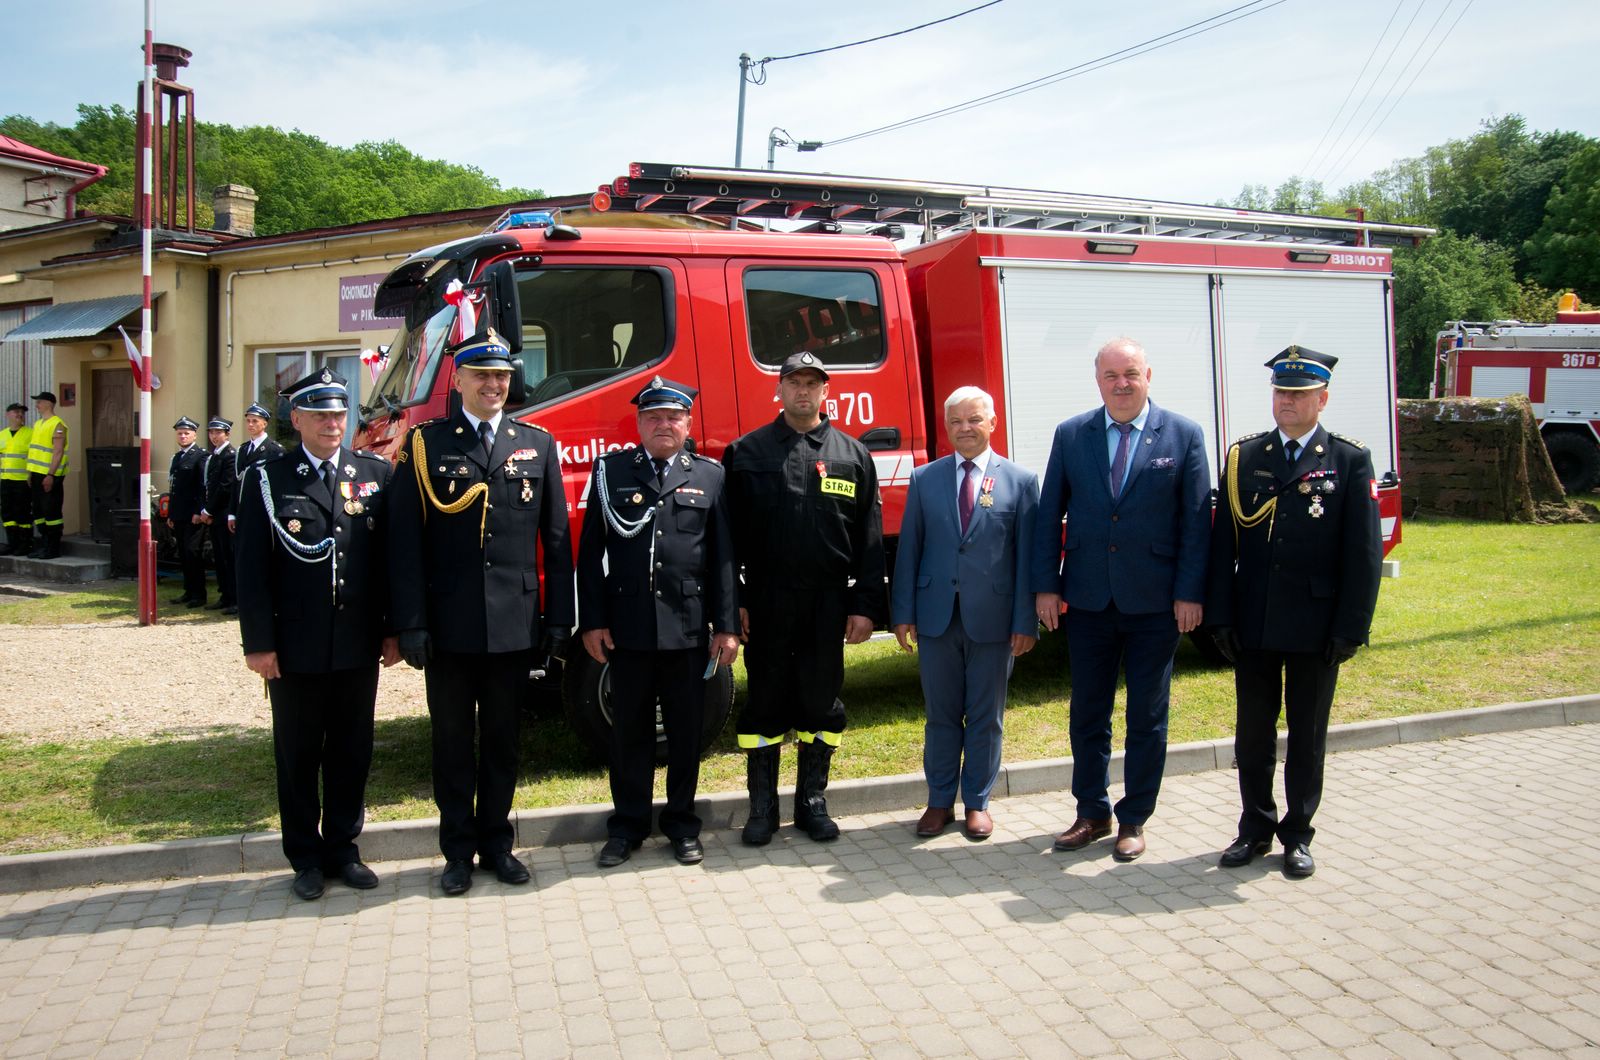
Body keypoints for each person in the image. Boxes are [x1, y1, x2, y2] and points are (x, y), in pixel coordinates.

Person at [388, 328, 574, 896]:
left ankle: (497, 844)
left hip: (515, 624)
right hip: (449, 626)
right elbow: (405, 544)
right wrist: (411, 622)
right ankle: (456, 853)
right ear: (460, 380)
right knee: (451, 743)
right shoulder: (426, 445)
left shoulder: (536, 443)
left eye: (501, 376)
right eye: (482, 376)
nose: (493, 385)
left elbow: (557, 541)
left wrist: (558, 620)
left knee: (502, 741)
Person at [1031, 337, 1211, 862]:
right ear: (1098, 381)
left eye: (1130, 373)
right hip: (1088, 599)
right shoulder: (1072, 434)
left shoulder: (1183, 434)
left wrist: (1189, 592)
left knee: (1147, 717)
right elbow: (1049, 514)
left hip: (1156, 602)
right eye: (1111, 375)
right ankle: (1092, 812)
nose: (1121, 384)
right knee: (1088, 712)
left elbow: (1196, 522)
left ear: (1148, 375)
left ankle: (1134, 817)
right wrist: (1047, 585)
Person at [1206, 346, 1382, 879]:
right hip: (1254, 622)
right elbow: (1223, 546)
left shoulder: (1348, 460)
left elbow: (1364, 554)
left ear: (1321, 400)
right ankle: (1255, 828)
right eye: (1282, 391)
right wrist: (1220, 617)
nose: (1288, 401)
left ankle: (1298, 833)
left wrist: (1351, 627)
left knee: (1307, 736)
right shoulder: (1245, 456)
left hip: (1315, 625)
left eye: (1300, 394)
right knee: (1252, 736)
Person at [235, 368, 400, 900]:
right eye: (321, 415)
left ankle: (344, 850)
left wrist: (392, 630)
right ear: (297, 419)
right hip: (295, 646)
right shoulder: (268, 478)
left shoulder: (375, 472)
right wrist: (259, 643)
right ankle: (305, 857)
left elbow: (391, 563)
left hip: (356, 641)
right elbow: (251, 569)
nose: (333, 423)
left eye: (339, 414)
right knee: (299, 755)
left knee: (352, 751)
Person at [723, 351, 887, 845]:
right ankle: (763, 808)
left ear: (825, 391)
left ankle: (812, 803)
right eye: (794, 382)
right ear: (779, 389)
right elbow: (727, 539)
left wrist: (865, 607)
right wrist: (736, 601)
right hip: (766, 601)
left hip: (826, 603)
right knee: (765, 702)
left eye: (812, 383)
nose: (803, 391)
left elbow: (870, 539)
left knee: (821, 703)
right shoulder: (745, 453)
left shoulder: (852, 455)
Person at [577, 377, 740, 868]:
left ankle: (682, 826)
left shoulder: (710, 475)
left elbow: (724, 559)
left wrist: (726, 626)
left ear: (688, 424)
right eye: (653, 417)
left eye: (673, 417)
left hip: (687, 630)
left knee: (686, 735)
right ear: (639, 423)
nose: (663, 425)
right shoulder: (610, 472)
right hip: (627, 629)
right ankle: (627, 827)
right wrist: (593, 621)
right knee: (629, 734)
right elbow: (590, 555)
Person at [892, 386, 1039, 840]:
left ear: (992, 423)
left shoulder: (1021, 481)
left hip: (993, 620)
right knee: (940, 715)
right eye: (956, 421)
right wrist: (903, 612)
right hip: (936, 618)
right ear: (946, 426)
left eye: (974, 419)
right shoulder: (925, 479)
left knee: (985, 717)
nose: (965, 428)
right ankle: (939, 802)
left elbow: (1027, 559)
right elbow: (909, 548)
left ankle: (977, 802)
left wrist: (1025, 621)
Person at [167, 416, 208, 606]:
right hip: (179, 513)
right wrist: (171, 514)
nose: (183, 436)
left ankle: (199, 594)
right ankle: (189, 591)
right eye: (180, 433)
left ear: (194, 435)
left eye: (186, 433)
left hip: (193, 514)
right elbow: (174, 488)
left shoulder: (200, 456)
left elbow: (202, 486)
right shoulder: (177, 457)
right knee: (183, 553)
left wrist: (199, 511)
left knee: (193, 552)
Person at [24, 391, 68, 559]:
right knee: (39, 511)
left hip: (50, 475)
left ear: (49, 404)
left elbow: (58, 452)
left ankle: (53, 548)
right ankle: (43, 545)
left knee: (51, 511)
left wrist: (50, 475)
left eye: (39, 402)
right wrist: (30, 473)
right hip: (37, 473)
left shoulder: (57, 424)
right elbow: (35, 451)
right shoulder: (38, 424)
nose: (37, 405)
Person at [201, 417, 238, 614]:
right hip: (215, 514)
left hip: (224, 514)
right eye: (211, 432)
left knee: (228, 558)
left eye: (218, 432)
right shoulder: (215, 455)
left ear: (227, 434)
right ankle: (225, 595)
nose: (214, 436)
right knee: (220, 557)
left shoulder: (230, 455)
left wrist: (208, 510)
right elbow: (210, 485)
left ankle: (234, 598)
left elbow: (225, 487)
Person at [229, 402, 284, 536]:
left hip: (262, 512)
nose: (250, 424)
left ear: (264, 424)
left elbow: (278, 486)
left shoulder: (275, 450)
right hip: (242, 510)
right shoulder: (243, 449)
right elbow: (236, 483)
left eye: (255, 421)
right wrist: (232, 513)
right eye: (248, 421)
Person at [0, 404, 31, 557]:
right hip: (6, 480)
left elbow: (34, 456)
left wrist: (31, 476)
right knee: (7, 513)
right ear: (7, 414)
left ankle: (25, 544)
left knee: (22, 512)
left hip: (23, 481)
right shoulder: (2, 435)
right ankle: (12, 544)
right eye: (16, 411)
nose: (19, 414)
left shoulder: (30, 433)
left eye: (22, 412)